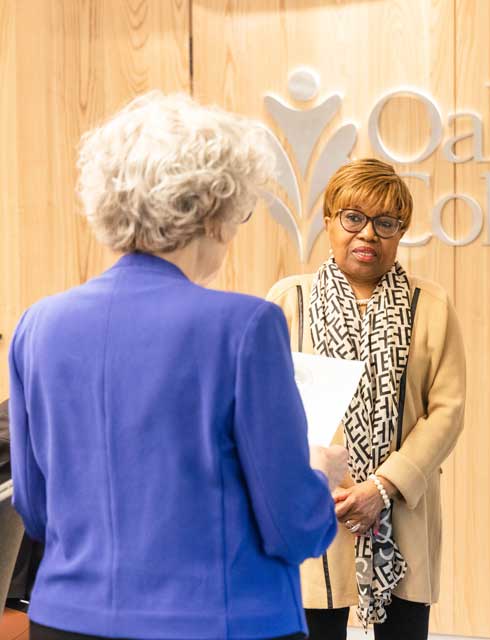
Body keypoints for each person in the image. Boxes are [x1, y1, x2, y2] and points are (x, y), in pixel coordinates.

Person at [7, 92, 348, 640]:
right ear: (214, 209)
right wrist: (320, 475)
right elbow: (292, 527)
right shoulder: (245, 327)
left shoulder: (38, 326)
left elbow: (37, 508)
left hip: (65, 619)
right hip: (219, 623)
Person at [266, 158, 466, 640]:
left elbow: (447, 411)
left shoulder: (430, 304)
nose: (368, 235)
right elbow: (264, 408)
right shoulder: (289, 299)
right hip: (318, 509)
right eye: (353, 218)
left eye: (385, 223)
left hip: (402, 510)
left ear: (401, 231)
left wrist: (381, 488)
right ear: (329, 221)